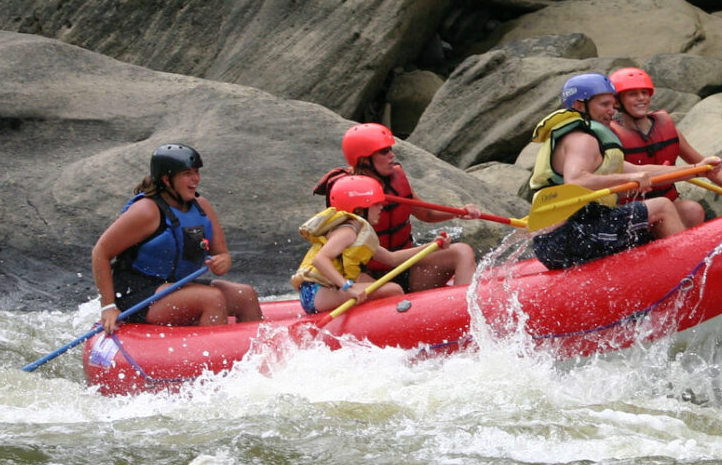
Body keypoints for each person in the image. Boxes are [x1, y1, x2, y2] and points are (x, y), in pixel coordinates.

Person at [528, 72, 722, 270]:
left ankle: (659, 272)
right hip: (569, 237)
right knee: (661, 207)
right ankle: (692, 270)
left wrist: (697, 169)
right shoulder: (582, 140)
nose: (612, 111)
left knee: (683, 213)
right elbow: (575, 181)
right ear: (579, 106)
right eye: (604, 105)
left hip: (572, 236)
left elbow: (641, 170)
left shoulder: (592, 140)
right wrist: (629, 177)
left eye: (613, 105)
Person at [91, 143, 263, 334]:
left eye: (196, 172)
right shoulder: (146, 211)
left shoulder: (202, 207)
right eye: (187, 174)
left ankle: (257, 358)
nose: (195, 179)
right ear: (166, 179)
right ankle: (212, 360)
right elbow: (100, 253)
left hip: (177, 287)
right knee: (211, 299)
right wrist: (108, 307)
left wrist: (223, 261)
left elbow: (222, 253)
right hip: (136, 294)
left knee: (245, 295)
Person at [312, 123, 475, 291]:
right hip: (363, 272)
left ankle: (465, 309)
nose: (392, 155)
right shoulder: (346, 192)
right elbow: (336, 248)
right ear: (364, 159)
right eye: (384, 152)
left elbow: (427, 214)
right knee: (391, 292)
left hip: (403, 262)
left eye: (390, 149)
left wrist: (460, 212)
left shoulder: (395, 181)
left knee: (462, 251)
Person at [608, 67, 722, 228]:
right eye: (632, 94)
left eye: (644, 92)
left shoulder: (667, 129)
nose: (641, 98)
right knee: (664, 206)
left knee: (692, 210)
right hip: (630, 212)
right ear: (617, 102)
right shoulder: (611, 136)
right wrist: (696, 169)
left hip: (666, 206)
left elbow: (706, 166)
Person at [291, 175, 452, 313]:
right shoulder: (347, 231)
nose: (382, 206)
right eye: (375, 203)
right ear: (360, 209)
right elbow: (320, 260)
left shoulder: (360, 233)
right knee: (393, 290)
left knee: (390, 289)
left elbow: (392, 258)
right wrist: (348, 287)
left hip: (324, 292)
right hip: (315, 294)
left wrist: (432, 245)